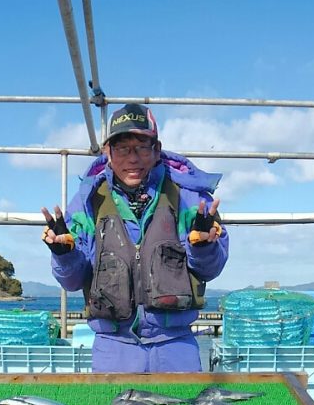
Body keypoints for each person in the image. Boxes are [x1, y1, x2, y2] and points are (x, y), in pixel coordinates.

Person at [41, 102, 229, 373]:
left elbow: (210, 269)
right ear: (108, 152)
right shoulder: (88, 202)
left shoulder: (191, 199)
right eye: (122, 148)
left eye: (142, 147)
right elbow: (72, 281)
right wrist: (64, 255)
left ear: (157, 149)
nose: (132, 158)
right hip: (112, 348)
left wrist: (204, 249)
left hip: (175, 347)